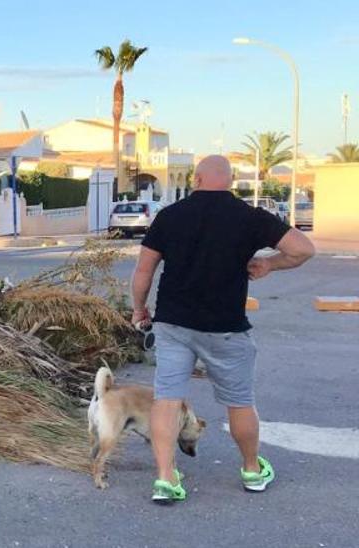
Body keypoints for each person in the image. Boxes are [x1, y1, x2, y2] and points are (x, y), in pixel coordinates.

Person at [131, 155, 314, 503]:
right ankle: (252, 471)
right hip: (227, 328)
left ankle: (166, 479)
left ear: (196, 179)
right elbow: (303, 249)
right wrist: (270, 265)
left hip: (173, 324)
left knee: (167, 400)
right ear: (229, 181)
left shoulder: (169, 216)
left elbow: (144, 272)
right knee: (240, 403)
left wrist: (140, 310)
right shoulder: (250, 217)